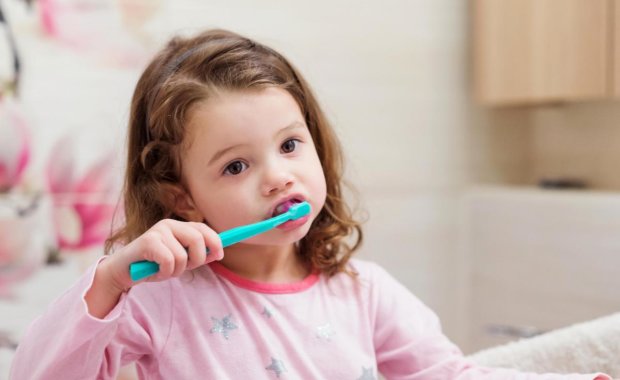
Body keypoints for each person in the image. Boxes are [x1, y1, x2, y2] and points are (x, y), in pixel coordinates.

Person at [10, 29, 611, 380]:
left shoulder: (363, 293)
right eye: (237, 166)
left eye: (290, 145)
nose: (278, 177)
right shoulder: (159, 304)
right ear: (181, 198)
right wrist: (111, 280)